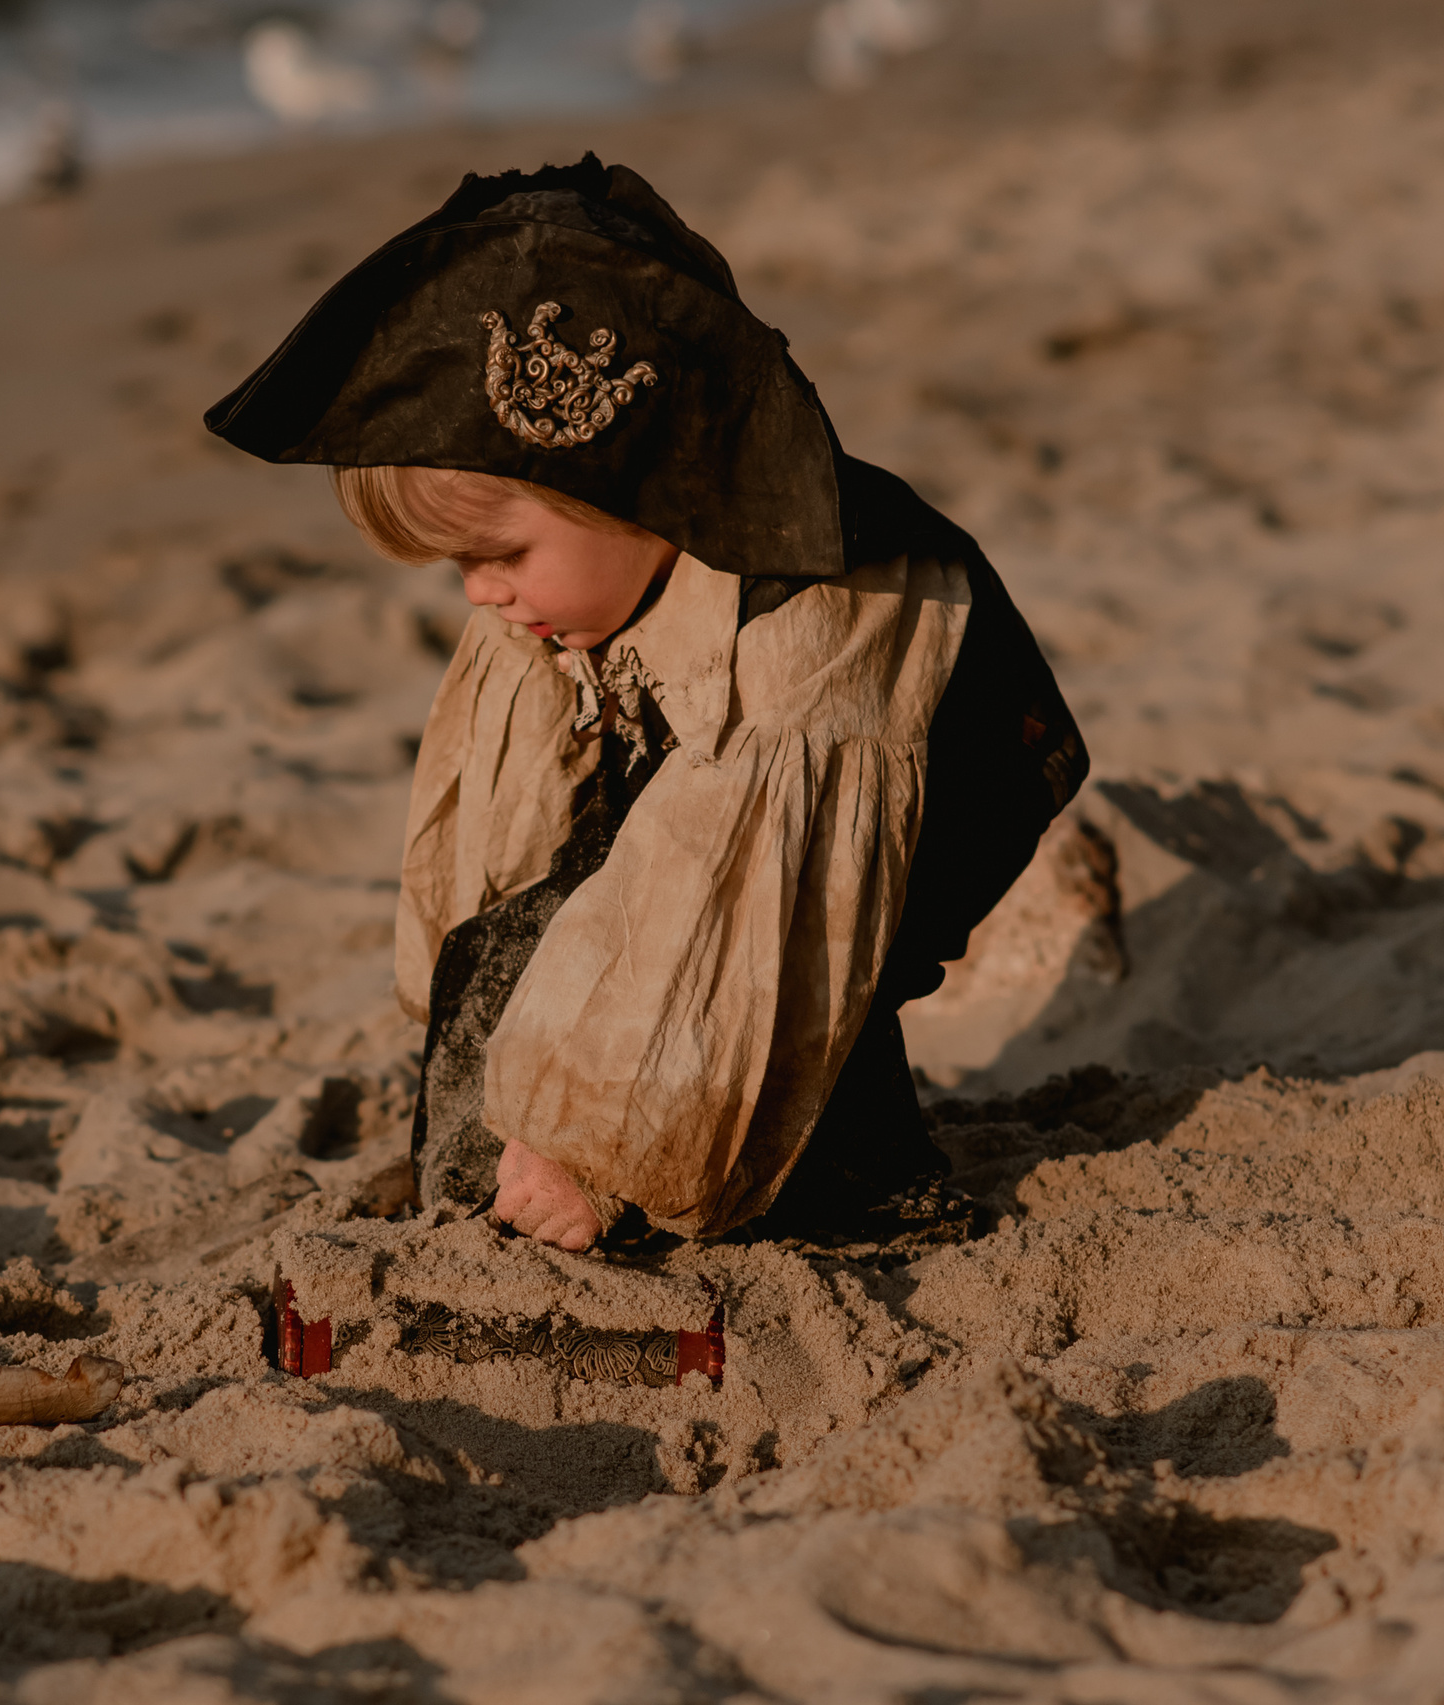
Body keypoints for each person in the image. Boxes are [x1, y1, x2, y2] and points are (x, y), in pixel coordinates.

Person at [204, 153, 1085, 1248]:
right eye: (456, 569)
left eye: (501, 553)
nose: (483, 591)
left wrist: (597, 1148)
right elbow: (517, 839)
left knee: (778, 987)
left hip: (925, 776)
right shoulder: (572, 593)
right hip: (714, 756)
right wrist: (500, 1041)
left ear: (629, 488)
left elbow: (725, 878)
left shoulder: (813, 612)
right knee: (544, 925)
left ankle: (848, 1172)